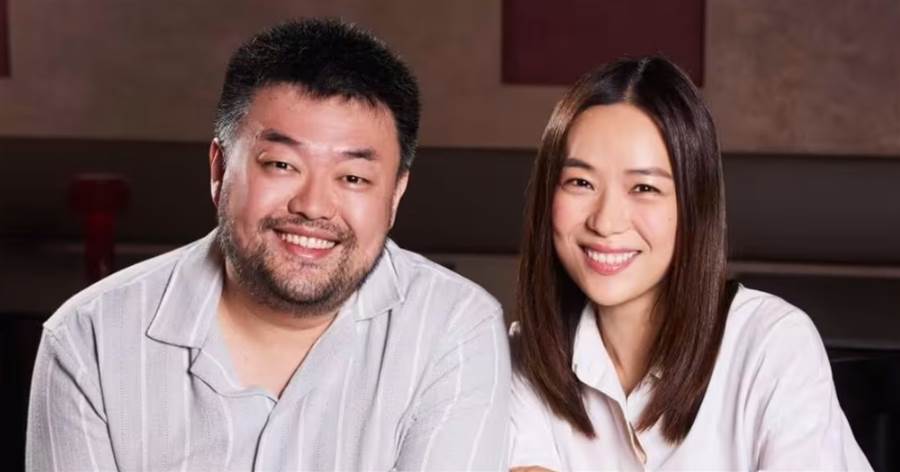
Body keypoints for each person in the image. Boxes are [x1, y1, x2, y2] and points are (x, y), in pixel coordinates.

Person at [26, 19, 509, 471]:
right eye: (282, 165)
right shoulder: (90, 339)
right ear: (219, 169)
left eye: (353, 177)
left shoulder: (452, 328)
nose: (314, 206)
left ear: (395, 195)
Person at [508, 56, 870, 470]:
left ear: (694, 205)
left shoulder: (772, 344)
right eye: (580, 182)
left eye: (644, 188)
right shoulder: (525, 354)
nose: (605, 222)